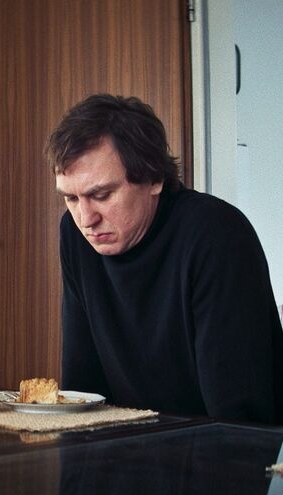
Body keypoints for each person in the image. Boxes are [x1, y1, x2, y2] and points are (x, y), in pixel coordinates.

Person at [47, 94, 283, 424]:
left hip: (222, 445)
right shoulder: (75, 235)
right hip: (131, 442)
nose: (86, 219)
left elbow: (238, 414)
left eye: (101, 195)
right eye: (71, 198)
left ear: (154, 178)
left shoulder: (216, 233)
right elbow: (82, 391)